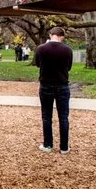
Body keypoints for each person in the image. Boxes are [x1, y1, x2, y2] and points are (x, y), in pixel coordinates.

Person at [33, 26, 74, 154]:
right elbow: (69, 67)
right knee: (63, 117)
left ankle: (48, 144)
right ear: (62, 36)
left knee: (46, 116)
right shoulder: (67, 50)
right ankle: (64, 147)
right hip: (62, 85)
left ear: (51, 34)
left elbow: (38, 64)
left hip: (45, 85)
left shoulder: (41, 49)